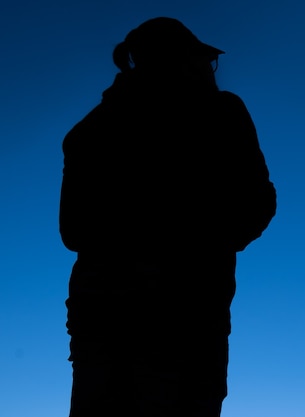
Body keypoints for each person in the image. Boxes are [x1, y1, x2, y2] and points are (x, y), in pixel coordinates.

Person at [59, 17, 277, 417]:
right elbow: (257, 203)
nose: (209, 70)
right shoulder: (219, 112)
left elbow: (73, 232)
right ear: (182, 60)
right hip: (185, 315)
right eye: (202, 60)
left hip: (103, 316)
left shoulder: (89, 132)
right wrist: (200, 251)